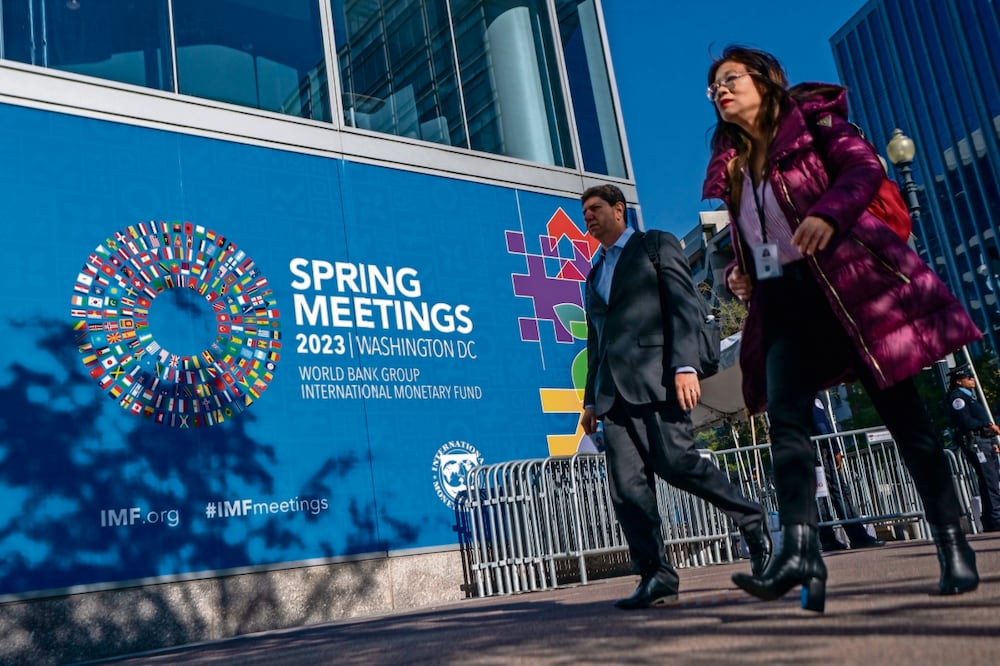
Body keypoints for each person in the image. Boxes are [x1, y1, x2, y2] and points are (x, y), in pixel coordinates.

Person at [701, 46, 982, 612]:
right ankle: (801, 553)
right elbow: (760, 234)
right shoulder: (734, 161)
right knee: (787, 426)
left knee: (903, 414)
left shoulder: (813, 120)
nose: (719, 92)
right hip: (782, 298)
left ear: (764, 80)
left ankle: (953, 543)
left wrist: (828, 212)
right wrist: (743, 272)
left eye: (729, 79)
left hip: (849, 283)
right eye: (712, 89)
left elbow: (864, 168)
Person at [578, 183, 772, 610]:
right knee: (626, 489)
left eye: (594, 208)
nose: (587, 216)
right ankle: (657, 575)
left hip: (659, 379)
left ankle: (751, 517)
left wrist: (685, 367)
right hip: (613, 396)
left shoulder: (655, 246)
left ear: (618, 210)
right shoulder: (593, 275)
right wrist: (590, 399)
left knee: (678, 464)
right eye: (584, 211)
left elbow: (683, 306)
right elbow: (598, 340)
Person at [811, 395, 885, 550]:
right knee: (840, 494)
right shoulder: (811, 396)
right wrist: (835, 448)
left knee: (819, 498)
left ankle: (828, 540)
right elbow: (822, 426)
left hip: (803, 452)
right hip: (822, 451)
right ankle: (858, 537)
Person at [947, 364, 1000, 532]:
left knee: (988, 481)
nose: (972, 379)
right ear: (958, 381)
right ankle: (996, 518)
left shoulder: (969, 397)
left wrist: (993, 443)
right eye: (967, 377)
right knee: (990, 480)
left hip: (984, 442)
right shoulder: (958, 398)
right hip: (975, 442)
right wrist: (988, 425)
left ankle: (990, 519)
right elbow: (966, 422)